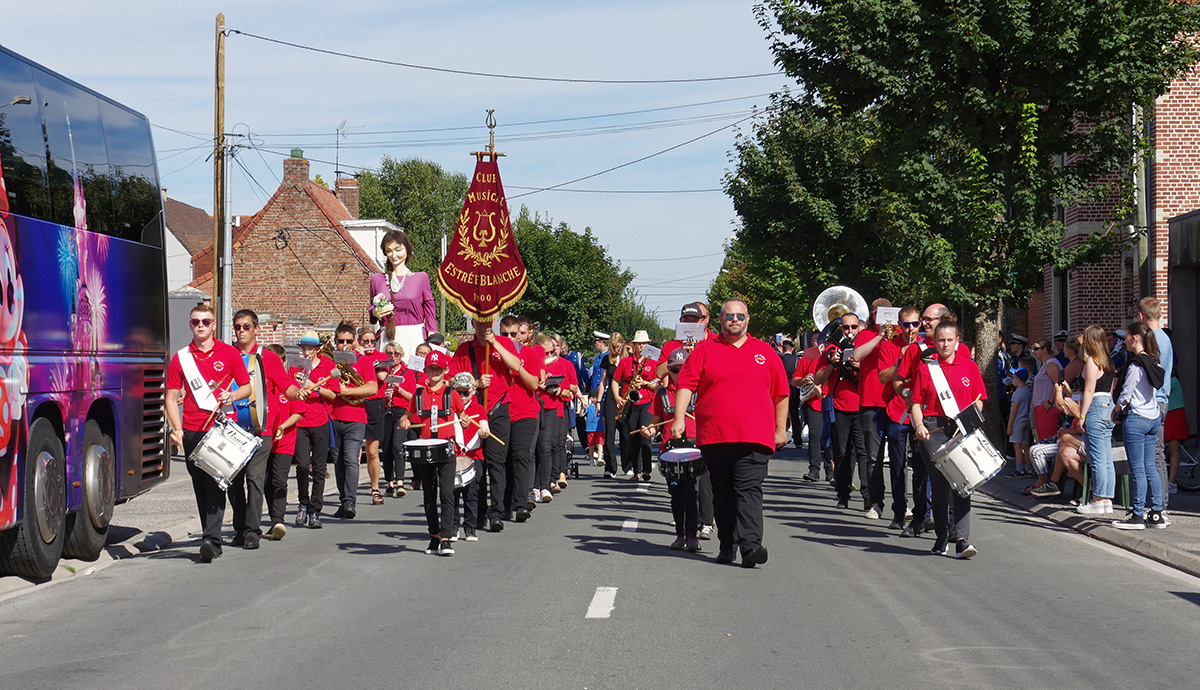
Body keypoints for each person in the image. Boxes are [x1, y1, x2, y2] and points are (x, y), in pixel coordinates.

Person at [672, 298, 789, 568]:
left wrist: (781, 429)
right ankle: (727, 544)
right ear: (720, 320)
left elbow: (781, 393)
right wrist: (679, 418)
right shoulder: (704, 350)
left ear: (748, 319)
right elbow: (686, 384)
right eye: (729, 316)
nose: (734, 320)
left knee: (748, 489)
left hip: (755, 436)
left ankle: (751, 546)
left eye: (739, 315)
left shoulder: (765, 352)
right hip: (715, 435)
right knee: (723, 491)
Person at [164, 304, 252, 563]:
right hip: (191, 429)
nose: (200, 325)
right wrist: (176, 428)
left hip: (220, 428)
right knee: (200, 486)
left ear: (214, 324)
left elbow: (246, 387)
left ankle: (211, 540)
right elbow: (170, 397)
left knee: (215, 483)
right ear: (190, 325)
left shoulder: (228, 353)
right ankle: (210, 536)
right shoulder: (181, 358)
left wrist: (231, 395)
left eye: (205, 321)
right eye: (195, 322)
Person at [909, 318, 987, 559]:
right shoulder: (926, 369)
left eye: (949, 340)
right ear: (934, 341)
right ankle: (942, 535)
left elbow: (979, 399)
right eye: (940, 340)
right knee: (941, 486)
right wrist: (919, 424)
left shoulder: (969, 367)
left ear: (957, 341)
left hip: (961, 428)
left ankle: (962, 539)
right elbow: (915, 403)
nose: (945, 345)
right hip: (933, 428)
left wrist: (972, 418)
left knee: (964, 483)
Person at [227, 310, 301, 549]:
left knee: (255, 478)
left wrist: (297, 392)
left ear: (256, 329)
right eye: (237, 327)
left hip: (261, 428)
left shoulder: (267, 357)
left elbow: (285, 386)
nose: (241, 331)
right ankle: (240, 527)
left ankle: (251, 531)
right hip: (233, 428)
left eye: (246, 326)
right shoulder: (228, 356)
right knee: (233, 481)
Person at [449, 317, 522, 531]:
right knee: (476, 463)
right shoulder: (464, 349)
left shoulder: (504, 343)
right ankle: (477, 514)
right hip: (473, 410)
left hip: (498, 408)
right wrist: (475, 382)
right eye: (480, 323)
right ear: (473, 323)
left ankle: (497, 512)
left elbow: (516, 366)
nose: (484, 327)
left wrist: (495, 344)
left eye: (488, 323)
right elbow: (451, 379)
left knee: (496, 462)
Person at [399, 350, 465, 555]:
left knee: (447, 494)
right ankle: (434, 536)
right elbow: (406, 416)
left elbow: (463, 415)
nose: (434, 371)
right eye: (430, 368)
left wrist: (464, 419)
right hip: (426, 449)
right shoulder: (419, 395)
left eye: (438, 368)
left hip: (447, 449)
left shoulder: (452, 393)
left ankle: (446, 538)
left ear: (445, 370)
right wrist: (405, 421)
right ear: (425, 370)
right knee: (429, 495)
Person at [318, 323, 380, 519]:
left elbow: (372, 388)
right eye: (340, 341)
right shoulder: (329, 362)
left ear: (354, 341)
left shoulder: (363, 361)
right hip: (333, 416)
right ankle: (343, 499)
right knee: (338, 462)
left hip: (355, 418)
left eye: (348, 341)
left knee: (350, 459)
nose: (344, 345)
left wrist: (346, 391)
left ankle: (350, 502)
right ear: (335, 342)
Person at [644, 348, 702, 552]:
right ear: (668, 370)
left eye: (683, 369)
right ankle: (680, 534)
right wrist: (648, 430)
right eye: (675, 370)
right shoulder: (661, 394)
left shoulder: (698, 391)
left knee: (692, 493)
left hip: (694, 448)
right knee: (676, 494)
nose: (679, 373)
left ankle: (692, 536)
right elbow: (655, 423)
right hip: (669, 449)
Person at [1113, 322, 1168, 530]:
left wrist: (1116, 410)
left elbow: (1127, 393)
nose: (1124, 341)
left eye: (1126, 337)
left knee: (1137, 469)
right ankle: (1156, 513)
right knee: (1150, 467)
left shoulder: (1136, 365)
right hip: (1153, 416)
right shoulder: (1154, 361)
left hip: (1136, 418)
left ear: (1135, 338)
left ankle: (1137, 515)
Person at [851, 298, 895, 519]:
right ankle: (875, 501)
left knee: (898, 458)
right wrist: (879, 336)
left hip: (895, 402)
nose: (883, 317)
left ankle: (900, 504)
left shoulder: (898, 336)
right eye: (879, 313)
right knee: (873, 456)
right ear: (873, 314)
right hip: (870, 402)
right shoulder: (865, 334)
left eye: (888, 313)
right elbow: (856, 355)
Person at [292, 330, 338, 529]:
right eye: (304, 348)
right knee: (302, 466)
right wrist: (298, 390)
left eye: (311, 348)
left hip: (320, 421)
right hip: (300, 420)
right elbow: (289, 390)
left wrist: (315, 387)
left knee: (319, 469)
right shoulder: (295, 366)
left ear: (318, 349)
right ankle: (303, 502)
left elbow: (334, 395)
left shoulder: (329, 366)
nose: (307, 352)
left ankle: (315, 510)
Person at [368, 229, 437, 361]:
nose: (394, 255)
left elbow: (430, 311)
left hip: (413, 336)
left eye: (398, 249)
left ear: (407, 249)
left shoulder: (421, 278)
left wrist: (432, 339)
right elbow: (371, 309)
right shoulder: (377, 279)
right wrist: (376, 312)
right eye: (389, 251)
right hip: (387, 336)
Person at [264, 345, 304, 539]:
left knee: (279, 480)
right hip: (264, 440)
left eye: (278, 362)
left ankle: (278, 520)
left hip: (285, 440)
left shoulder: (289, 385)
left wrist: (282, 427)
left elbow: (298, 413)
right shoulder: (262, 386)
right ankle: (273, 518)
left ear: (284, 361)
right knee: (265, 481)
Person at [1077, 325, 1117, 515]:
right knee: (1106, 456)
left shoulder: (1092, 362)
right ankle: (1107, 498)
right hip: (1107, 404)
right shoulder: (1108, 361)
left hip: (1096, 406)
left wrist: (1082, 415)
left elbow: (1089, 390)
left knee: (1097, 456)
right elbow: (1111, 388)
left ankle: (1098, 499)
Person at [1137, 297, 1172, 511]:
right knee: (1154, 455)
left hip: (1154, 401)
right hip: (1162, 399)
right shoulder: (1165, 338)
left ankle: (1160, 506)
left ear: (1141, 316)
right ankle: (1158, 503)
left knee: (1155, 455)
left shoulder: (1153, 340)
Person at [534, 333, 578, 500]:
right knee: (534, 449)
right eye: (546, 353)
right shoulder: (532, 362)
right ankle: (535, 485)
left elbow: (569, 390)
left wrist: (554, 389)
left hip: (553, 408)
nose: (550, 356)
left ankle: (547, 484)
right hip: (534, 407)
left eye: (552, 351)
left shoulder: (562, 365)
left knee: (548, 446)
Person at [615, 330, 659, 481]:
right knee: (631, 437)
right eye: (638, 343)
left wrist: (645, 383)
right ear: (633, 345)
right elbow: (615, 380)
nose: (641, 346)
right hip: (630, 403)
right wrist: (617, 397)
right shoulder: (625, 362)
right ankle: (636, 471)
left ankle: (646, 469)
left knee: (645, 435)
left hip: (647, 401)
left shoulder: (653, 362)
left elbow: (659, 384)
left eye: (644, 343)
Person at [450, 372, 488, 542]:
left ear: (473, 391)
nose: (463, 397)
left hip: (474, 457)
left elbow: (484, 427)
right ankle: (453, 527)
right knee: (452, 494)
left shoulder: (479, 409)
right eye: (458, 393)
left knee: (472, 495)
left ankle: (470, 528)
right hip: (454, 457)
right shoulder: (450, 410)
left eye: (466, 393)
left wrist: (484, 431)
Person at [357, 329, 392, 506]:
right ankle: (349, 491)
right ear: (359, 341)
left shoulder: (380, 356)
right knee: (353, 452)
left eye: (372, 341)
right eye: (365, 341)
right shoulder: (353, 355)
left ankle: (375, 488)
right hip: (356, 402)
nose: (369, 345)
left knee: (372, 451)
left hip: (374, 403)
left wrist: (365, 361)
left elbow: (382, 376)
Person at [600, 332, 625, 478]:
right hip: (611, 396)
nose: (616, 349)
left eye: (619, 346)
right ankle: (610, 467)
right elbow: (603, 382)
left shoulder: (628, 358)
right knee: (609, 431)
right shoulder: (606, 359)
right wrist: (598, 401)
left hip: (626, 393)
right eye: (614, 347)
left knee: (626, 432)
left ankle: (629, 464)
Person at [1030, 338, 1063, 442]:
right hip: (1040, 406)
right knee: (1041, 438)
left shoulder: (1051, 364)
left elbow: (1058, 383)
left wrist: (1050, 401)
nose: (1033, 351)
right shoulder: (1045, 364)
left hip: (1048, 407)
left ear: (1045, 350)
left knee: (1047, 439)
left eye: (1036, 349)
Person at [1005, 368, 1033, 478]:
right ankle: (1028, 469)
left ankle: (1019, 469)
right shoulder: (1027, 391)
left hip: (1017, 421)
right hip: (1026, 420)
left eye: (1014, 378)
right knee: (1025, 445)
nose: (1012, 380)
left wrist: (1009, 425)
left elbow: (1014, 410)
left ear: (1019, 379)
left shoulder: (1017, 393)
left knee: (1017, 446)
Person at [1166, 371, 1188, 494]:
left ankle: (1172, 482)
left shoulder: (1172, 381)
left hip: (1174, 415)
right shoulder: (1174, 380)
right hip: (1173, 415)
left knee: (1173, 450)